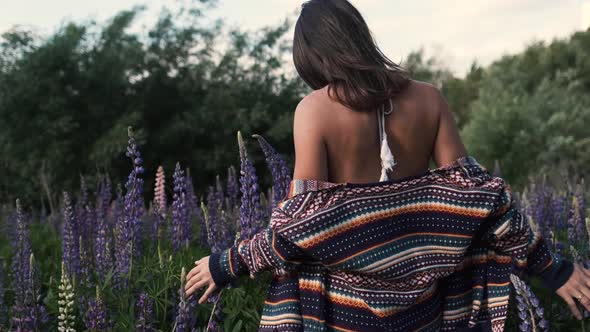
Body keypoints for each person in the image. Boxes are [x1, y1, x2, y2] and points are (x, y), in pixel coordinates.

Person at [185, 0, 590, 330]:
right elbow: (478, 201)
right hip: (426, 311)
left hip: (345, 314)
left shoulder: (314, 110)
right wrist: (554, 270)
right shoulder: (429, 99)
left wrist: (228, 263)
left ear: (311, 54)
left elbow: (302, 224)